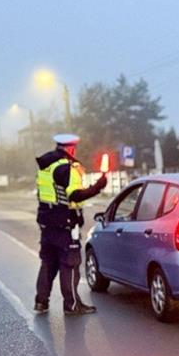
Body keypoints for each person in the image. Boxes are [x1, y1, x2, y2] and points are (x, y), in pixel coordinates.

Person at [34, 133, 107, 315]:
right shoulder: (66, 168)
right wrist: (98, 186)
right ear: (70, 148)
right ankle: (72, 305)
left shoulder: (46, 167)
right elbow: (75, 195)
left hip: (47, 222)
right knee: (70, 264)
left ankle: (41, 302)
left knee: (48, 263)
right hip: (65, 224)